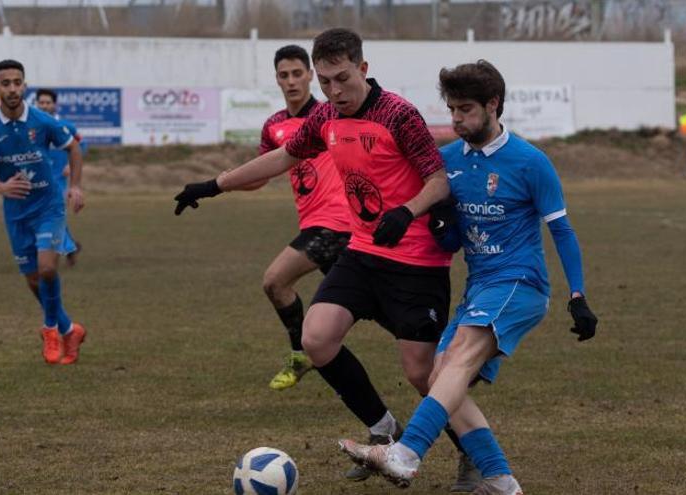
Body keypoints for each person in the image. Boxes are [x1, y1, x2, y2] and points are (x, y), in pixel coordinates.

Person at [174, 29, 479, 489]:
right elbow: (281, 158)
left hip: (416, 261)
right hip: (362, 253)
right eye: (325, 82)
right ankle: (382, 429)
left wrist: (407, 210)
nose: (334, 92)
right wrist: (213, 185)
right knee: (316, 340)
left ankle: (475, 456)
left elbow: (438, 180)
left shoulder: (398, 114)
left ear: (363, 69)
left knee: (422, 373)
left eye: (342, 79)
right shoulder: (326, 118)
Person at [338, 60, 598, 495]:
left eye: (465, 110)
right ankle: (498, 479)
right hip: (480, 288)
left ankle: (405, 453)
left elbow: (562, 229)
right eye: (451, 109)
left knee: (455, 361)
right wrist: (440, 227)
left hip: (520, 284)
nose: (455, 119)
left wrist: (578, 294)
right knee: (440, 379)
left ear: (493, 105)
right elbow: (452, 239)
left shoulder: (531, 162)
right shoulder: (448, 161)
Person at [0, 60, 87, 365]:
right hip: (16, 212)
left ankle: (49, 330)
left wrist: (75, 186)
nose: (12, 88)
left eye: (17, 82)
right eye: (5, 83)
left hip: (49, 205)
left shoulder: (42, 120)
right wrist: (0, 187)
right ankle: (69, 329)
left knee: (47, 269)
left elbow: (73, 147)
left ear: (25, 85)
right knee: (33, 279)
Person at [255, 45, 352, 391]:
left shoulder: (332, 115)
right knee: (378, 308)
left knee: (275, 280)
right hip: (316, 227)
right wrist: (224, 182)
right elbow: (261, 175)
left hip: (338, 224)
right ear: (277, 80)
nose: (292, 81)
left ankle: (300, 355)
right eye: (284, 75)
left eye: (298, 73)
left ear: (311, 75)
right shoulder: (275, 126)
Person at [35, 88, 82, 266]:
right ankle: (71, 246)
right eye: (42, 102)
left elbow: (80, 144)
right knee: (49, 216)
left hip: (59, 181)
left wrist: (71, 164)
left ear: (54, 105)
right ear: (37, 103)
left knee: (53, 214)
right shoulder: (32, 126)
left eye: (48, 102)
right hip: (39, 180)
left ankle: (59, 249)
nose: (45, 105)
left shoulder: (66, 126)